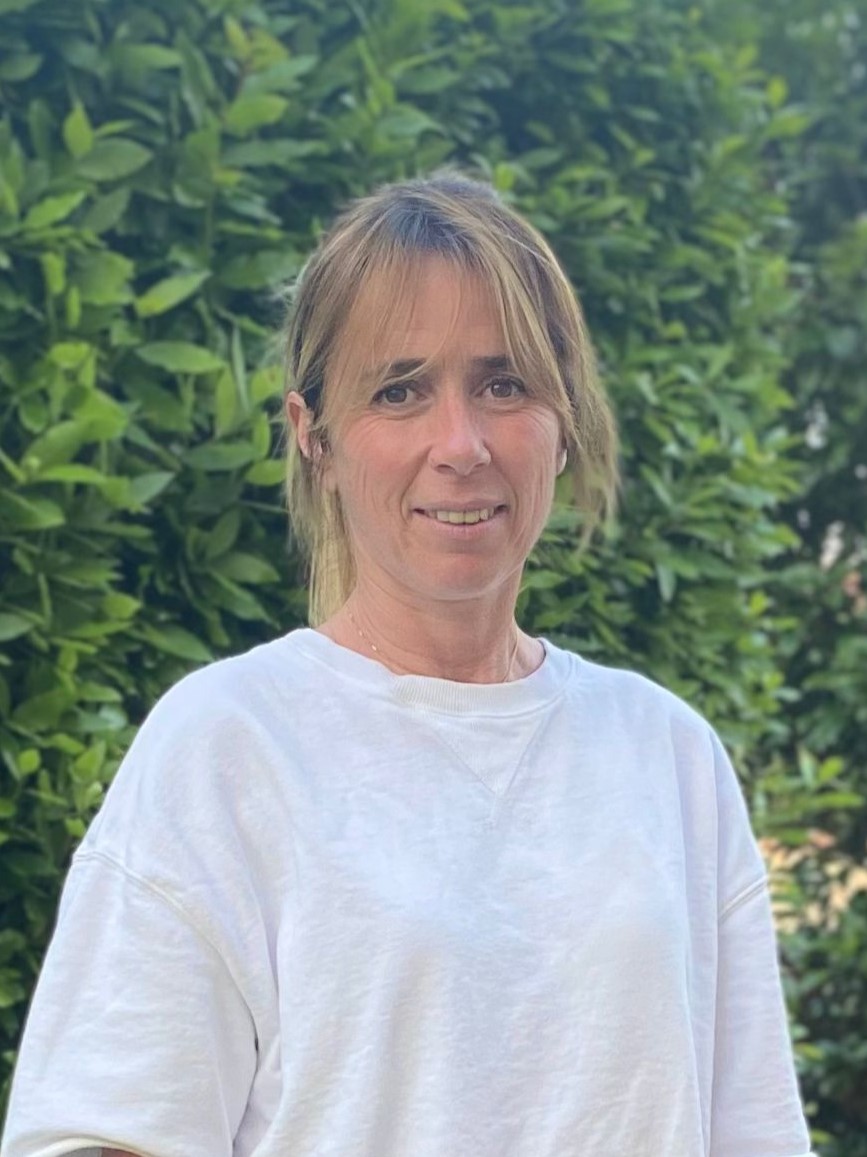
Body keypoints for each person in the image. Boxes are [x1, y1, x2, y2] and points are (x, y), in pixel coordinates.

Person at [1, 173, 814, 1157]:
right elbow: (98, 1135)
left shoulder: (669, 755)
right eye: (399, 390)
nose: (460, 444)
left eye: (504, 384)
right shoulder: (229, 744)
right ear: (315, 437)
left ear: (561, 423)